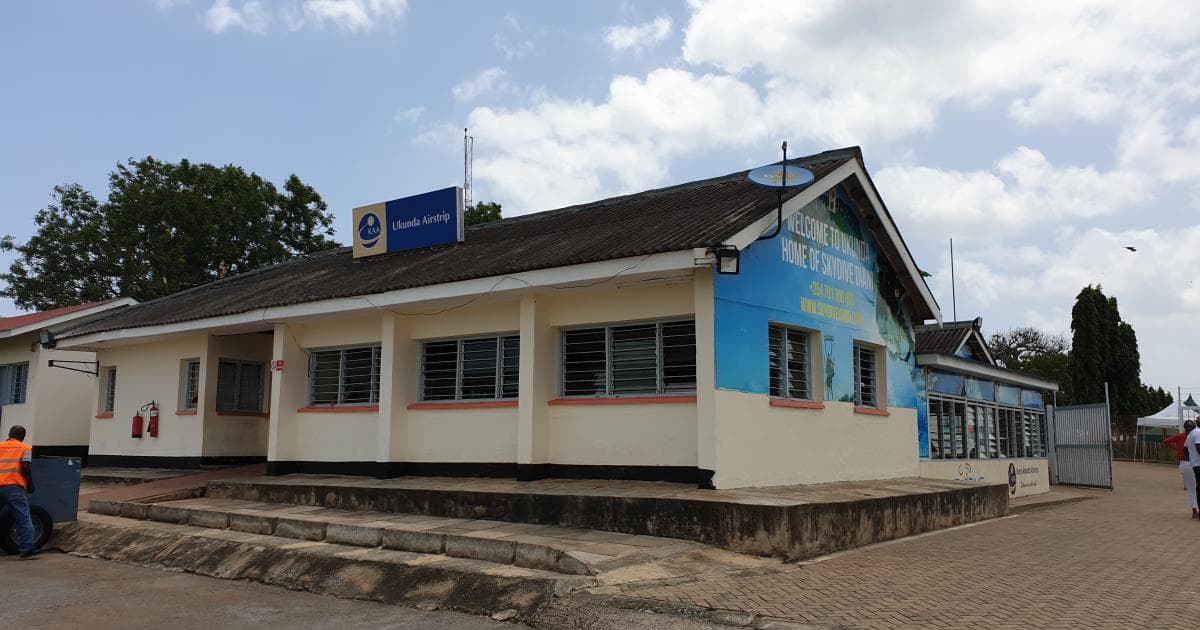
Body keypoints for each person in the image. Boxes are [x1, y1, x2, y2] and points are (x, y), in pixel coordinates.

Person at [0, 425, 38, 558]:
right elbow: (26, 466)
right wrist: (30, 484)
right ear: (22, 437)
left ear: (9, 434)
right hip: (14, 487)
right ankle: (27, 548)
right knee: (23, 518)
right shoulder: (25, 448)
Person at [1163, 420, 1198, 518]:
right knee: (1196, 489)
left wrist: (1177, 450)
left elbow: (1165, 442)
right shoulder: (1196, 436)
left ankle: (1194, 511)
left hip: (1184, 463)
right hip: (1195, 463)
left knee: (1191, 489)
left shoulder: (1181, 436)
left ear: (1184, 427)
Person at [1187, 420, 1200, 519]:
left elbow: (1185, 448)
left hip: (1195, 463)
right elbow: (1198, 447)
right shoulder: (1198, 432)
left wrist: (1191, 459)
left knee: (1197, 488)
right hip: (1198, 464)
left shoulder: (1192, 433)